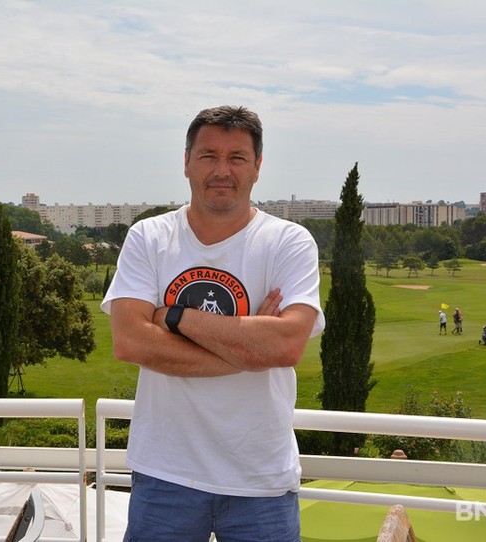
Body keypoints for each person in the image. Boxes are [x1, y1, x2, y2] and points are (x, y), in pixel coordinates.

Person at [101, 105, 324, 542]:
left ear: (257, 167)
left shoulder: (288, 241)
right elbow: (130, 342)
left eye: (237, 157)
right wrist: (250, 344)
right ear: (186, 162)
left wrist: (173, 316)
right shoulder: (149, 237)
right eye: (208, 156)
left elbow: (286, 347)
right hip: (165, 476)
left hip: (261, 480)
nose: (222, 170)